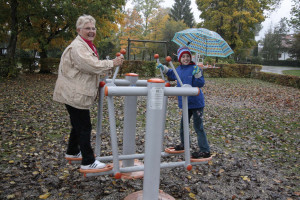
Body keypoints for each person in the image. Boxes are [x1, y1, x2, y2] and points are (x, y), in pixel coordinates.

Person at [53, 15, 124, 170]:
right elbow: (90, 65)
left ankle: (72, 151)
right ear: (79, 30)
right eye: (87, 28)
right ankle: (88, 161)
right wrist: (112, 63)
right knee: (84, 126)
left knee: (77, 124)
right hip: (74, 92)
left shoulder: (86, 45)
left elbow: (88, 68)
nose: (91, 31)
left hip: (75, 91)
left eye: (93, 28)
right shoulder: (78, 47)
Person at [157, 46, 210, 159]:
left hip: (196, 103)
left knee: (198, 127)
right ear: (180, 58)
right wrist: (164, 68)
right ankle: (185, 143)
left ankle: (205, 150)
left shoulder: (195, 68)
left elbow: (200, 84)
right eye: (183, 56)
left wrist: (198, 75)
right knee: (183, 126)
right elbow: (171, 73)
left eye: (187, 56)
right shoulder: (179, 70)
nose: (185, 58)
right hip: (185, 103)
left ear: (190, 58)